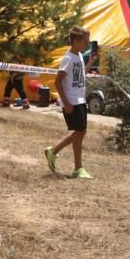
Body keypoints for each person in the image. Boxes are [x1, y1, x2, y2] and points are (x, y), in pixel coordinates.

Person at [43, 26, 93, 179]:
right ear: (76, 41)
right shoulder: (68, 58)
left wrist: (91, 61)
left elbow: (80, 75)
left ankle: (53, 152)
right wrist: (66, 103)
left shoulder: (78, 55)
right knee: (80, 132)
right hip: (71, 100)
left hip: (80, 99)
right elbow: (58, 82)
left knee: (81, 132)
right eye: (86, 41)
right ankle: (77, 168)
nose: (88, 44)